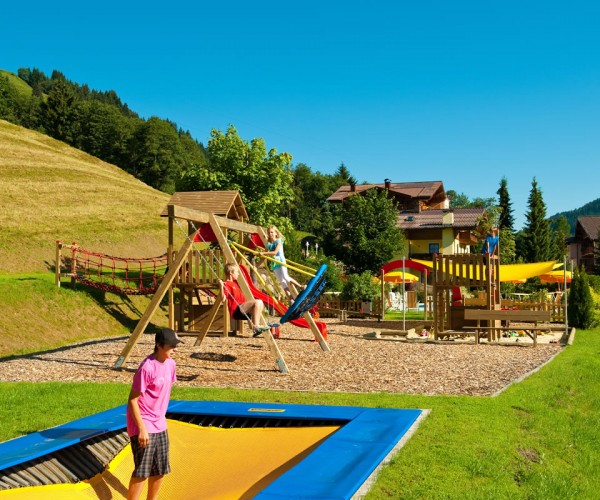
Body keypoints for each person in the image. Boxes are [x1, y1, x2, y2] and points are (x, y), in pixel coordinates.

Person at [126, 328, 183, 500]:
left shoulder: (171, 364)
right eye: (171, 345)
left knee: (160, 469)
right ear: (159, 345)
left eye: (176, 345)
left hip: (160, 423)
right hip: (144, 423)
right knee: (143, 471)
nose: (175, 349)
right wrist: (142, 429)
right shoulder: (146, 368)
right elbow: (132, 400)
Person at [220, 262, 269, 337]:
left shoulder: (235, 283)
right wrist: (221, 286)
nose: (238, 274)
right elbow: (223, 299)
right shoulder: (226, 284)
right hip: (236, 311)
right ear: (231, 272)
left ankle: (256, 326)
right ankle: (256, 326)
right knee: (258, 302)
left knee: (260, 303)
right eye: (237, 272)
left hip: (243, 310)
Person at [260, 226, 303, 300]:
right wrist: (257, 264)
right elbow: (264, 257)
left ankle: (300, 286)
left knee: (285, 277)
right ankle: (291, 299)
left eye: (272, 232)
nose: (270, 234)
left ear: (276, 233)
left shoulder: (279, 241)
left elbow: (275, 252)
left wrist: (263, 253)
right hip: (275, 264)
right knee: (282, 282)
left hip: (281, 261)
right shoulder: (268, 244)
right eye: (269, 232)